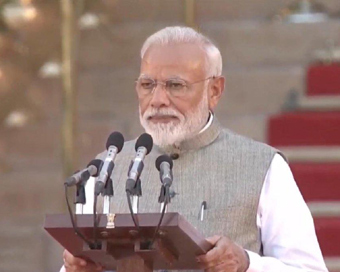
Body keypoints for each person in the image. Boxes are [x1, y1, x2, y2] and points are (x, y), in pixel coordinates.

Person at [61, 26, 328, 272]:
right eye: (147, 85)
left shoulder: (261, 166)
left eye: (175, 86)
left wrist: (247, 264)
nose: (157, 100)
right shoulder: (106, 169)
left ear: (214, 90)